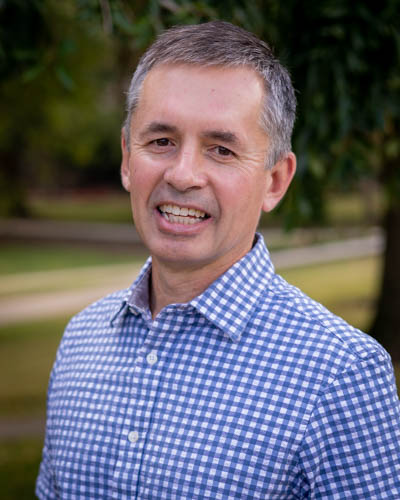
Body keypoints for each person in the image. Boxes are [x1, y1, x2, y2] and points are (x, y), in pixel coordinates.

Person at [36, 21, 400, 499]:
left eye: (222, 150)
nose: (183, 174)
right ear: (127, 158)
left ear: (275, 180)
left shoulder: (341, 376)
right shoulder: (81, 342)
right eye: (161, 141)